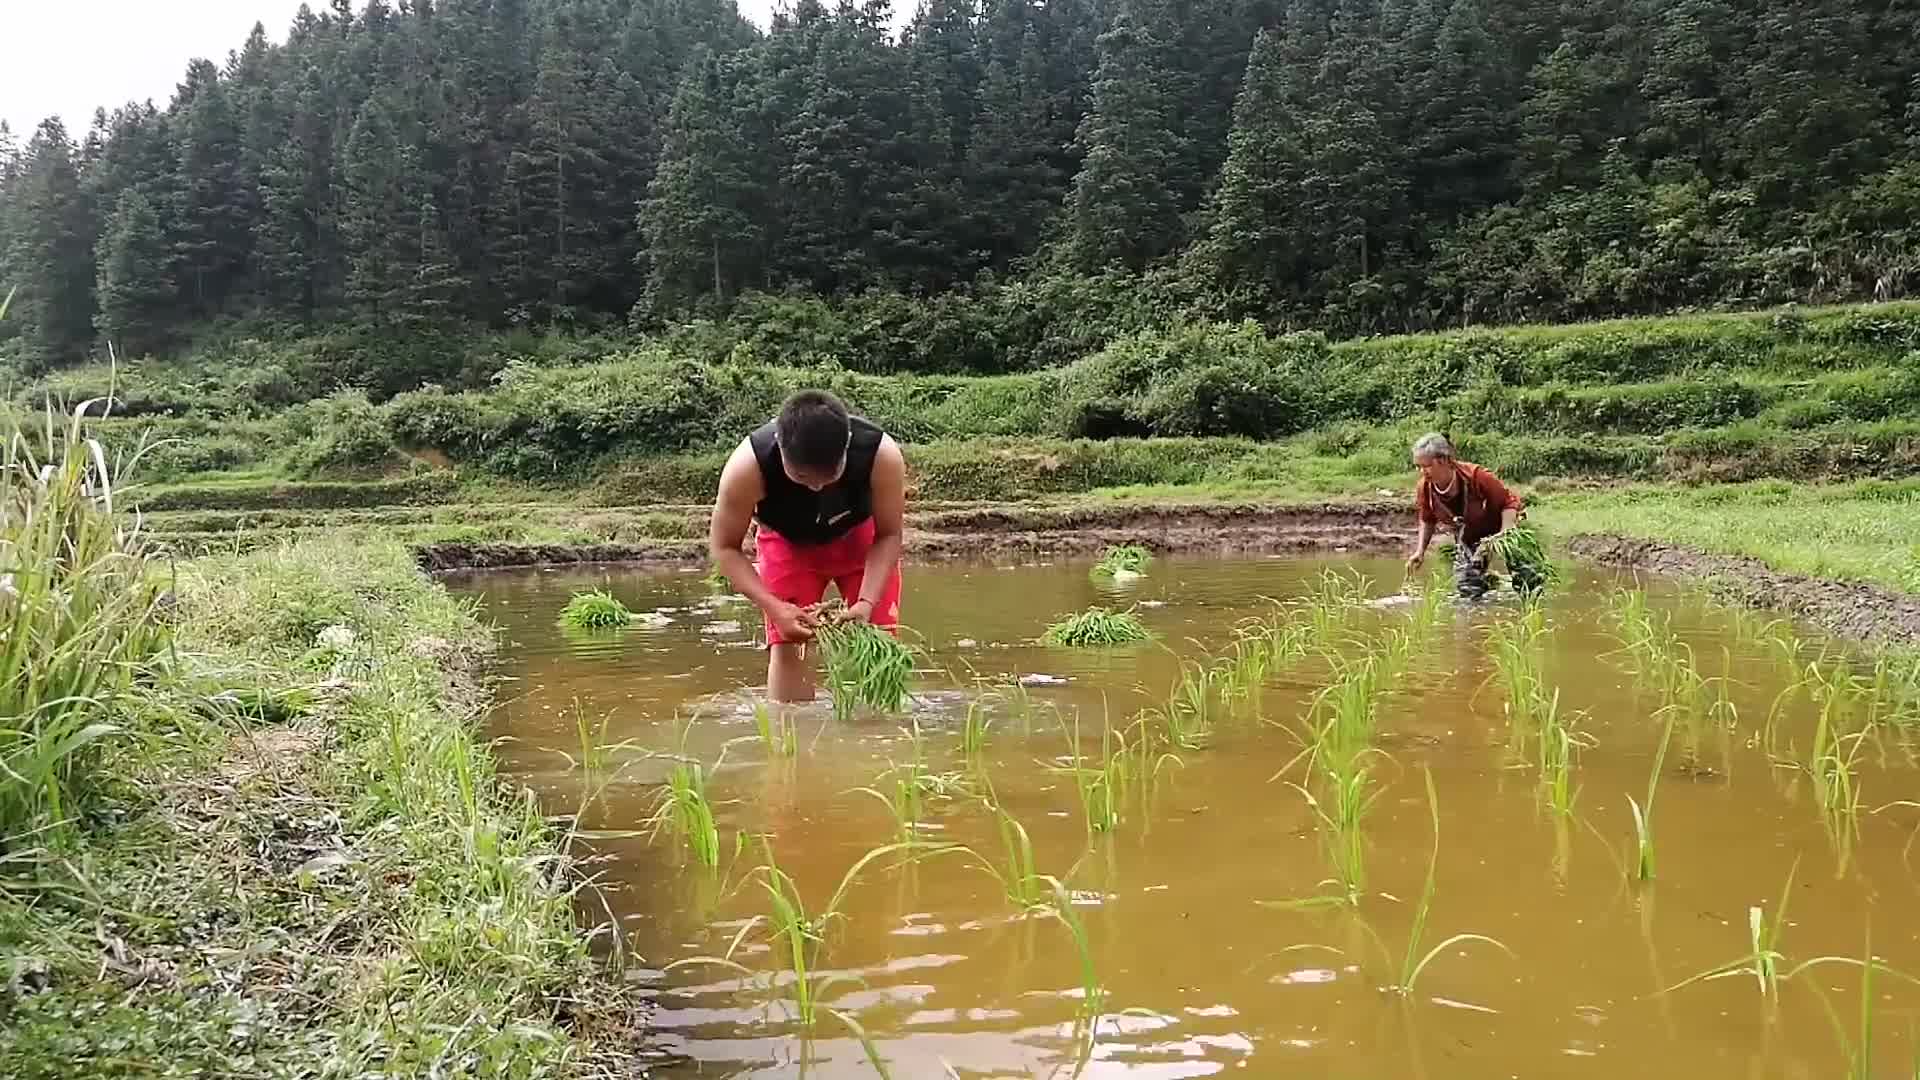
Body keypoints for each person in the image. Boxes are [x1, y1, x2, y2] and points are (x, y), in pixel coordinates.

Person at [709, 389, 907, 702]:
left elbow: (889, 535)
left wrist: (867, 602)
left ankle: (881, 738)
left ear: (846, 447)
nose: (816, 486)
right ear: (781, 449)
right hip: (788, 545)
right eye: (801, 476)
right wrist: (774, 608)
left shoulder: (880, 454)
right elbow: (724, 548)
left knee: (879, 642)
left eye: (831, 475)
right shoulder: (748, 466)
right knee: (789, 648)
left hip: (861, 541)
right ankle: (791, 740)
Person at [1403, 432, 1532, 598]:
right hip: (1469, 535)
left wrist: (1504, 536)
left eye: (1425, 466)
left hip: (1503, 527)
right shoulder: (1425, 488)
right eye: (1418, 466)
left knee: (1527, 579)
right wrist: (1420, 551)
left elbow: (1509, 503)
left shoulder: (1478, 477)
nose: (1421, 471)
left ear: (1443, 460)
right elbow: (1427, 519)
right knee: (1468, 588)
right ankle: (1481, 606)